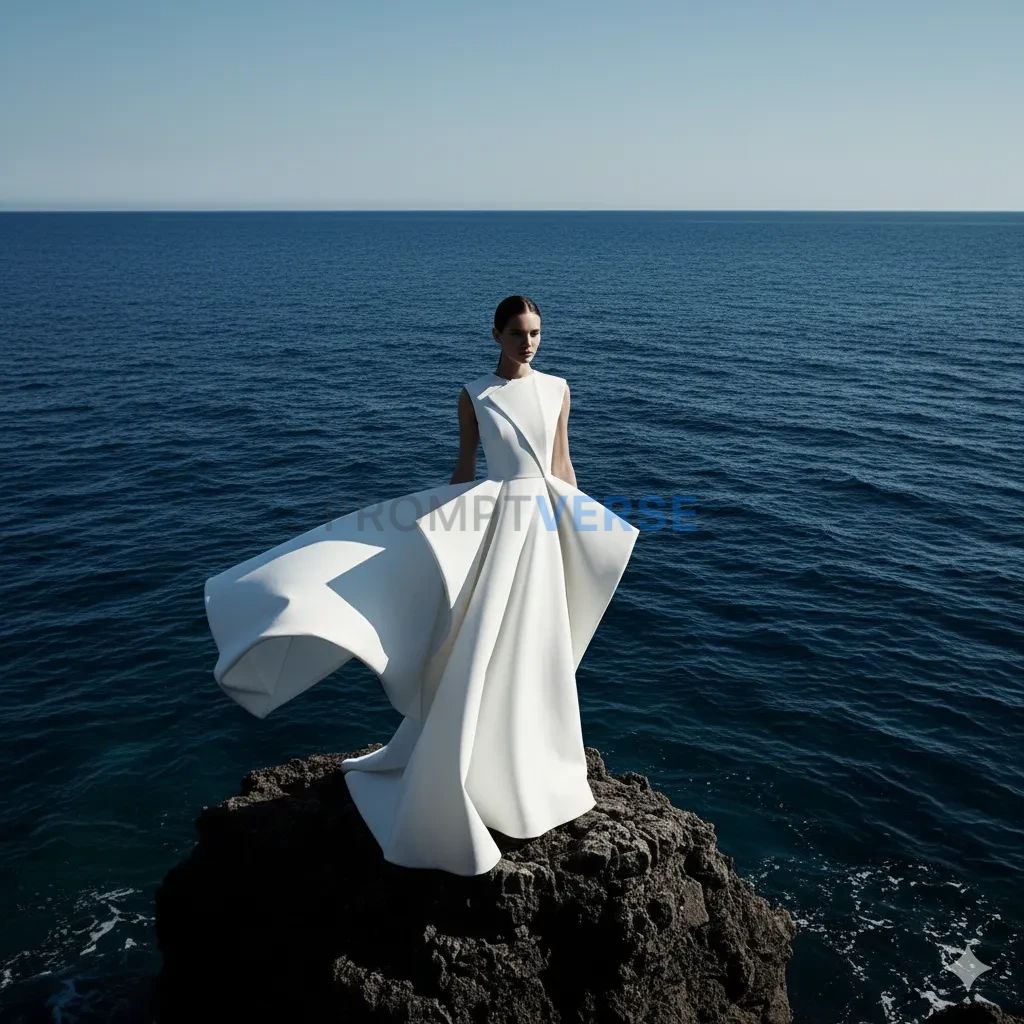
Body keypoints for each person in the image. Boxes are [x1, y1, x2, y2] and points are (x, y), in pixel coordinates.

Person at [204, 295, 639, 876]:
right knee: (487, 644)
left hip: (541, 532)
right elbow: (464, 473)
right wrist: (423, 535)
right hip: (498, 533)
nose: (528, 342)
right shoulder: (474, 393)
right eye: (517, 332)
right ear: (496, 334)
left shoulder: (559, 388)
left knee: (537, 648)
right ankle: (471, 771)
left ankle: (531, 769)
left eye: (535, 332)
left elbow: (562, 466)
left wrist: (579, 529)